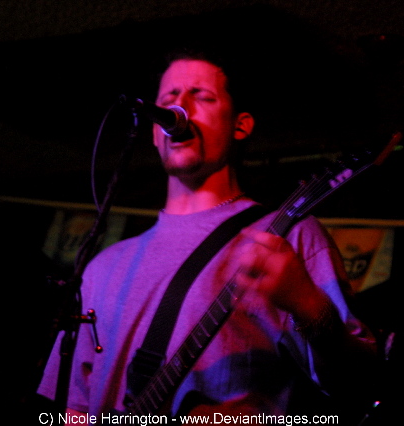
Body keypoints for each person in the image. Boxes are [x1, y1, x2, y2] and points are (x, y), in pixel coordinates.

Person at [36, 46, 378, 424]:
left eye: (201, 96)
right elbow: (74, 410)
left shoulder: (287, 237)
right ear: (154, 132)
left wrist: (308, 304)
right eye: (169, 97)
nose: (179, 107)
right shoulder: (102, 266)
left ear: (240, 125)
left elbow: (361, 384)